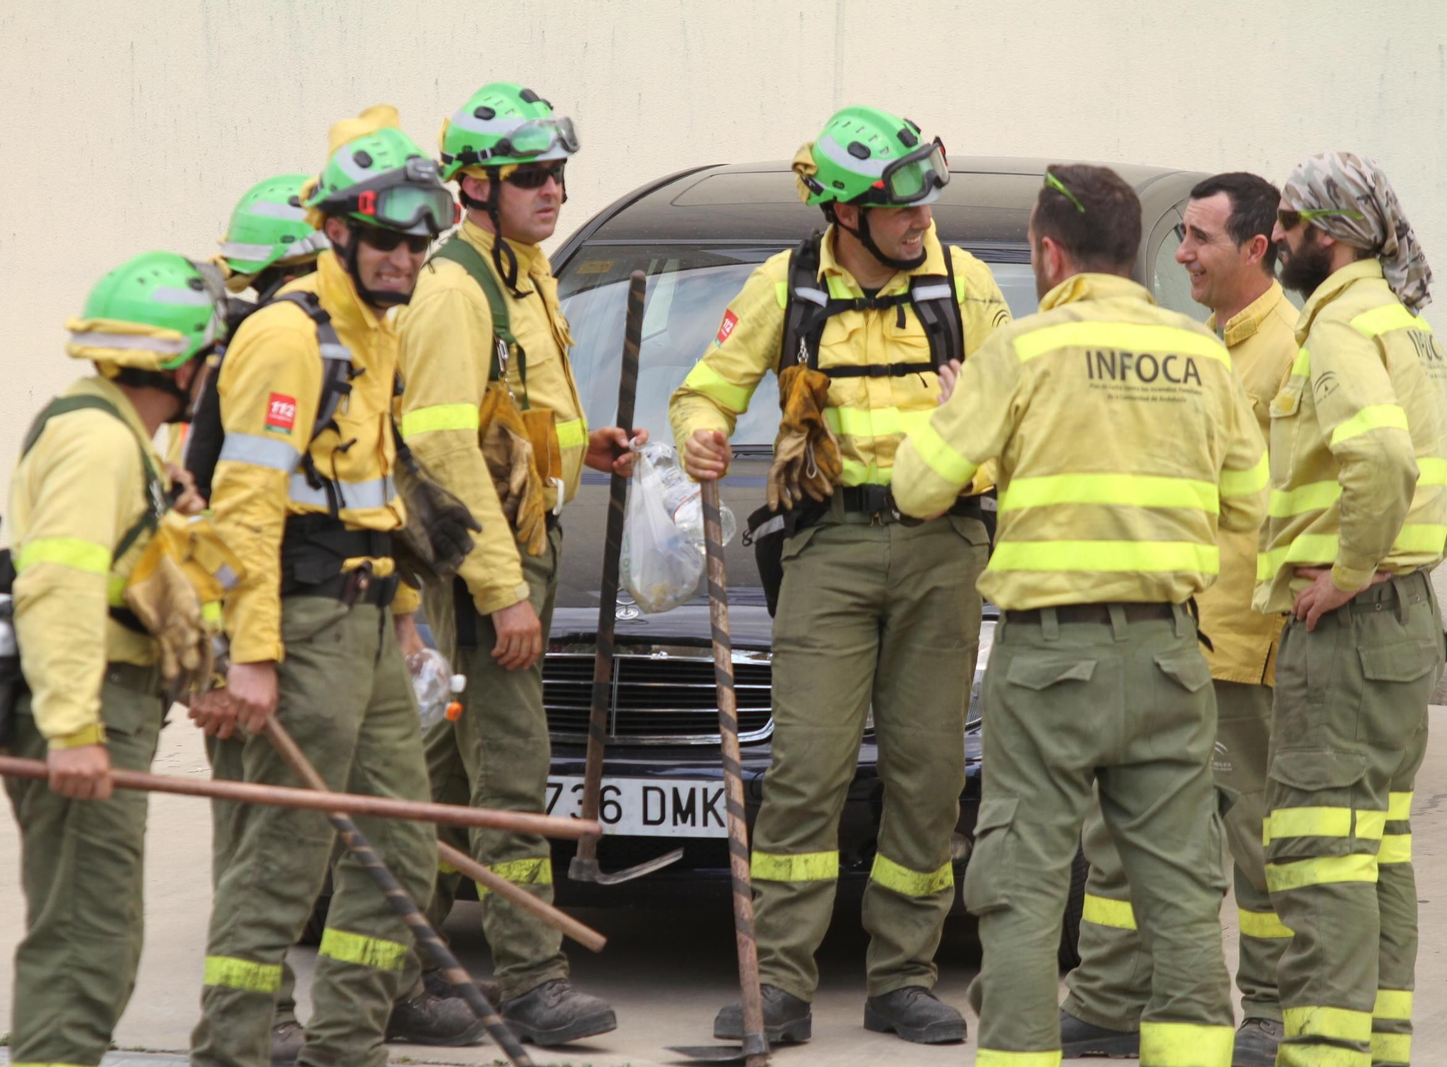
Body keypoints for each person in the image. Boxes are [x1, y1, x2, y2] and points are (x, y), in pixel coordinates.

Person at [894, 163, 1269, 1066]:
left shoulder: (1023, 349)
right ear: (1132, 251)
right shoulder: (1202, 352)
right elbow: (1250, 505)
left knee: (1021, 887)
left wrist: (959, 417)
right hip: (1172, 656)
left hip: (1049, 663)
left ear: (1050, 252)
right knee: (1180, 891)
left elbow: (916, 489)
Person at [672, 105, 1014, 1047]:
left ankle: (902, 975)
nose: (922, 216)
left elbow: (1023, 413)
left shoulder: (966, 284)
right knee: (807, 769)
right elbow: (706, 387)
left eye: (925, 193)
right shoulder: (787, 286)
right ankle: (778, 982)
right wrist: (700, 435)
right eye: (902, 202)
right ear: (847, 214)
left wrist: (976, 423)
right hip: (827, 547)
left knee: (929, 772)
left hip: (946, 549)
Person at [187, 106, 458, 1067]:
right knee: (283, 856)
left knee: (402, 849)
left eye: (419, 242)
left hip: (371, 623)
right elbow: (243, 509)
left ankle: (348, 1044)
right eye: (385, 237)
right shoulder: (286, 335)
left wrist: (408, 623)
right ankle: (233, 1047)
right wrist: (249, 653)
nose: (404, 257)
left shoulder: (377, 333)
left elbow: (376, 497)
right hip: (301, 624)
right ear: (335, 231)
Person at [1256, 152, 1447, 1067]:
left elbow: (1383, 462)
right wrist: (1415, 557)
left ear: (1328, 235)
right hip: (1403, 625)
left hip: (1349, 632)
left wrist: (1357, 569)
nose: (1274, 239)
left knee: (1319, 853)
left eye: (1286, 223)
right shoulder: (1407, 327)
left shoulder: (1336, 330)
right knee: (1378, 849)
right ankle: (1380, 1048)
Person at [395, 81, 636, 1046]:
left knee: (438, 778)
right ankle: (532, 978)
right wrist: (502, 594)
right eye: (533, 175)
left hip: (516, 546)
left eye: (560, 173)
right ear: (475, 187)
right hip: (480, 566)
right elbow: (448, 454)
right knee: (509, 766)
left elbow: (510, 420)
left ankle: (397, 972)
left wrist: (582, 449)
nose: (556, 191)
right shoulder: (458, 287)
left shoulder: (521, 266)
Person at [1059, 172, 1295, 1067]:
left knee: (1253, 840)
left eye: (1199, 238)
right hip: (1174, 633)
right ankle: (1113, 999)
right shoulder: (1207, 345)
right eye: (1181, 236)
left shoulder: (1291, 348)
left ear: (1257, 250)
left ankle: (1267, 1008)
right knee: (1121, 834)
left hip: (1245, 637)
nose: (1182, 254)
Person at [5, 250, 221, 1067]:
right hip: (89, 705)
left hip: (111, 703)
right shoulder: (98, 443)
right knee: (83, 946)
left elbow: (136, 575)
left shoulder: (116, 435)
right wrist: (72, 730)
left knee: (98, 933)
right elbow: (56, 587)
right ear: (180, 362)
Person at [189, 171, 331, 1066]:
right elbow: (212, 517)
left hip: (264, 627)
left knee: (267, 834)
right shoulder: (263, 356)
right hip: (240, 630)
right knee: (259, 843)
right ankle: (256, 1020)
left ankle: (283, 1016)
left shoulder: (297, 353)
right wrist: (223, 656)